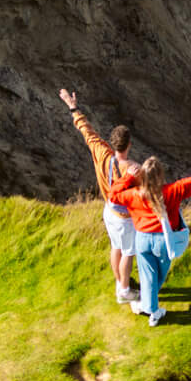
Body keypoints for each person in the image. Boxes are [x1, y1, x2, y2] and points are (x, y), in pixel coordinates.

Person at [108, 156, 191, 327]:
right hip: (164, 240)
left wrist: (128, 178)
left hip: (142, 239)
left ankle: (151, 309)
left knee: (148, 276)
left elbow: (113, 196)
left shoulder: (133, 195)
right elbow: (188, 184)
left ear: (143, 176)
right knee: (159, 276)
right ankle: (151, 308)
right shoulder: (171, 191)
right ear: (160, 176)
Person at [59, 87, 139, 304]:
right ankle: (124, 289)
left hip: (109, 211)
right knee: (128, 253)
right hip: (125, 218)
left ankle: (119, 281)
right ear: (129, 144)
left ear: (112, 143)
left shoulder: (102, 153)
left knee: (116, 247)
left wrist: (73, 106)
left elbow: (86, 131)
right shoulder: (132, 169)